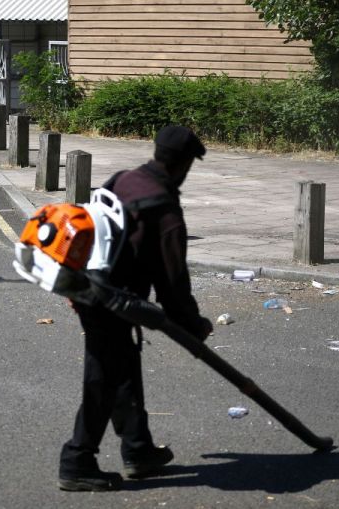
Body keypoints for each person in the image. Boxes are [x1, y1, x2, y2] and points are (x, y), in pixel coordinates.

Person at [58, 125, 214, 491]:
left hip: (87, 285)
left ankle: (138, 450)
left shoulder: (122, 179)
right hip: (112, 299)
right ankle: (77, 460)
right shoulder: (164, 209)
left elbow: (89, 223)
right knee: (103, 377)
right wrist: (193, 325)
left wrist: (72, 280)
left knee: (123, 365)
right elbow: (173, 284)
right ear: (186, 165)